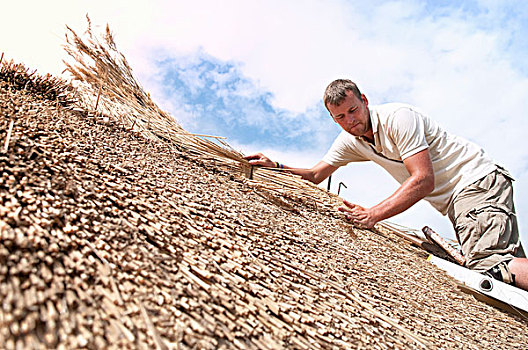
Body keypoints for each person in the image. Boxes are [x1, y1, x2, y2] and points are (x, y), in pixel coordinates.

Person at [245, 79, 528, 290]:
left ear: (364, 100)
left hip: (474, 182)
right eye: (340, 117)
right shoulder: (351, 141)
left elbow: (423, 180)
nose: (350, 121)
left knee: (489, 268)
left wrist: (373, 214)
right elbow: (316, 174)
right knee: (510, 284)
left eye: (353, 110)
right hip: (461, 201)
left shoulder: (398, 118)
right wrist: (277, 167)